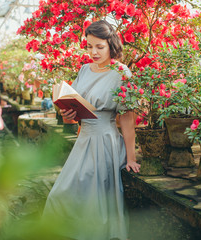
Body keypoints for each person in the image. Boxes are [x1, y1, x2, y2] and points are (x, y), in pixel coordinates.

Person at [41, 20, 141, 240]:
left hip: (105, 142)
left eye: (99, 47)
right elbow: (76, 113)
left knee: (94, 205)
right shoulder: (84, 69)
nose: (93, 52)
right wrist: (68, 115)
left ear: (111, 45)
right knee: (58, 197)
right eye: (89, 46)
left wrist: (131, 158)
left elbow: (126, 119)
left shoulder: (121, 73)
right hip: (83, 140)